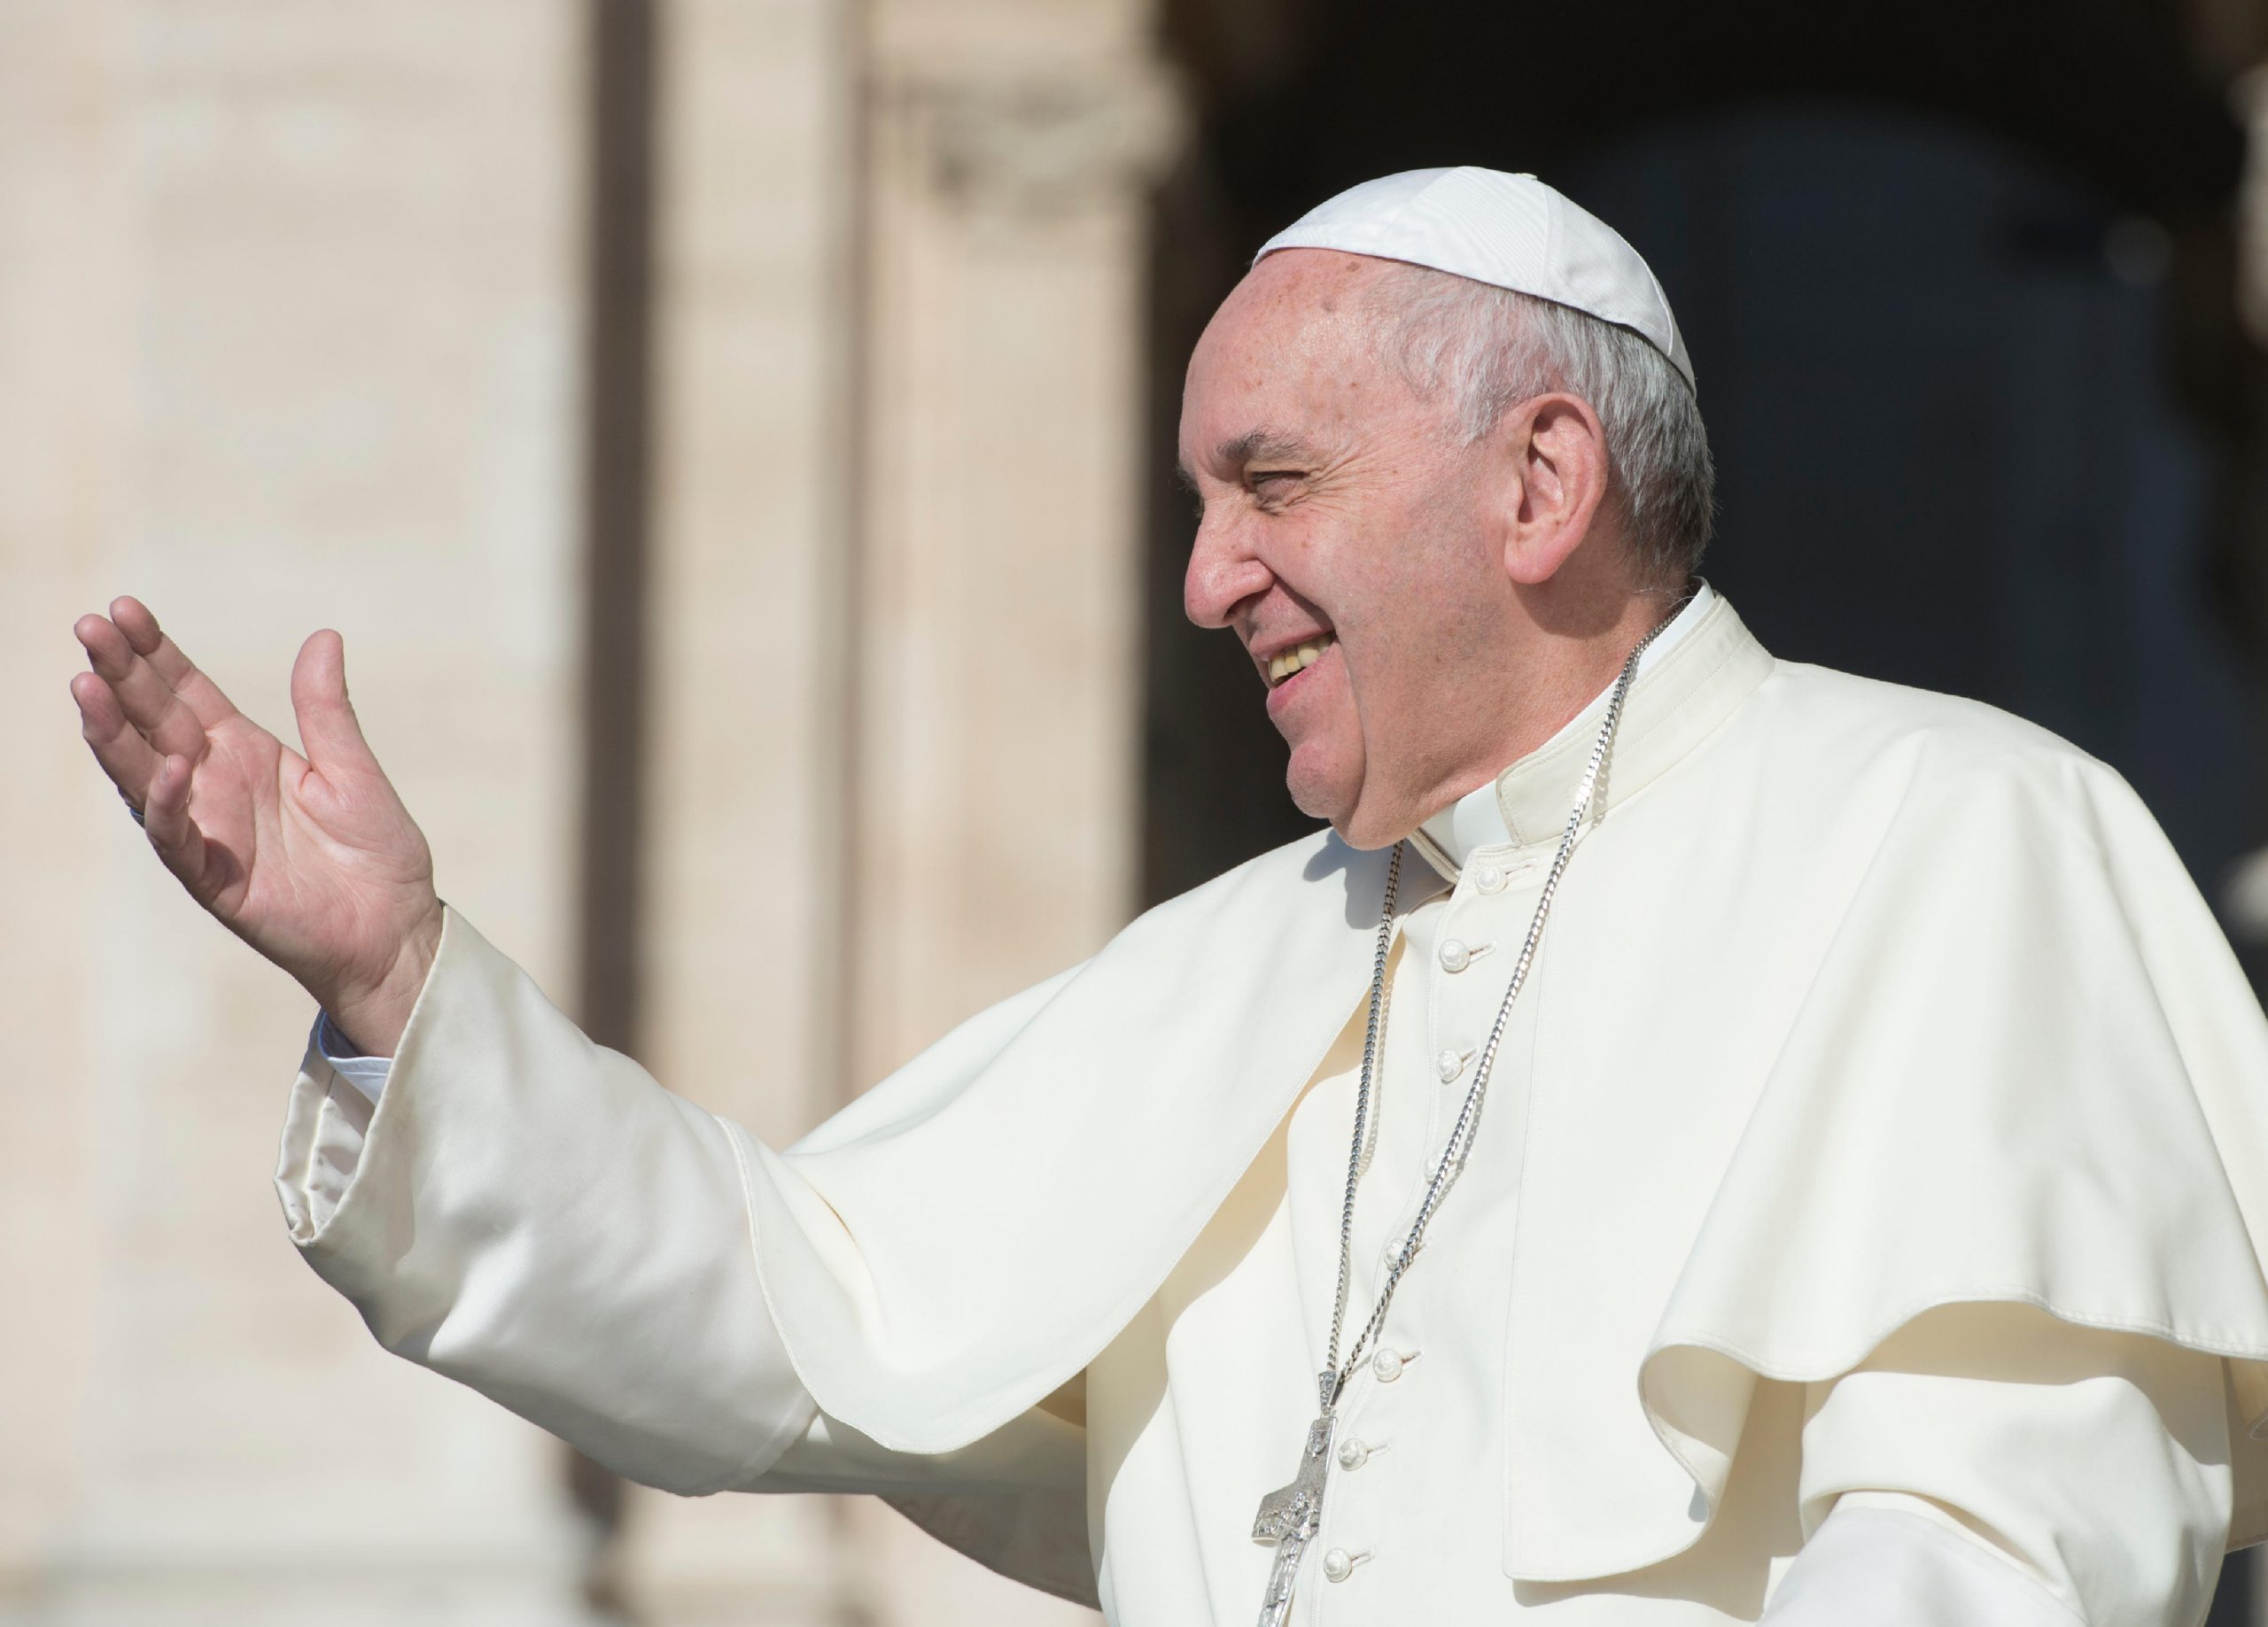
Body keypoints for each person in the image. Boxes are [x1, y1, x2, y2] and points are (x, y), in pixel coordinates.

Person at [69, 167, 2268, 1626]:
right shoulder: (1238, 962)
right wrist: (400, 987)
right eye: (1201, 499)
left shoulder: (1955, 839)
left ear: (1536, 480)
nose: (1208, 575)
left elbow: (1995, 1547)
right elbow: (792, 1314)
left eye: (1271, 484)